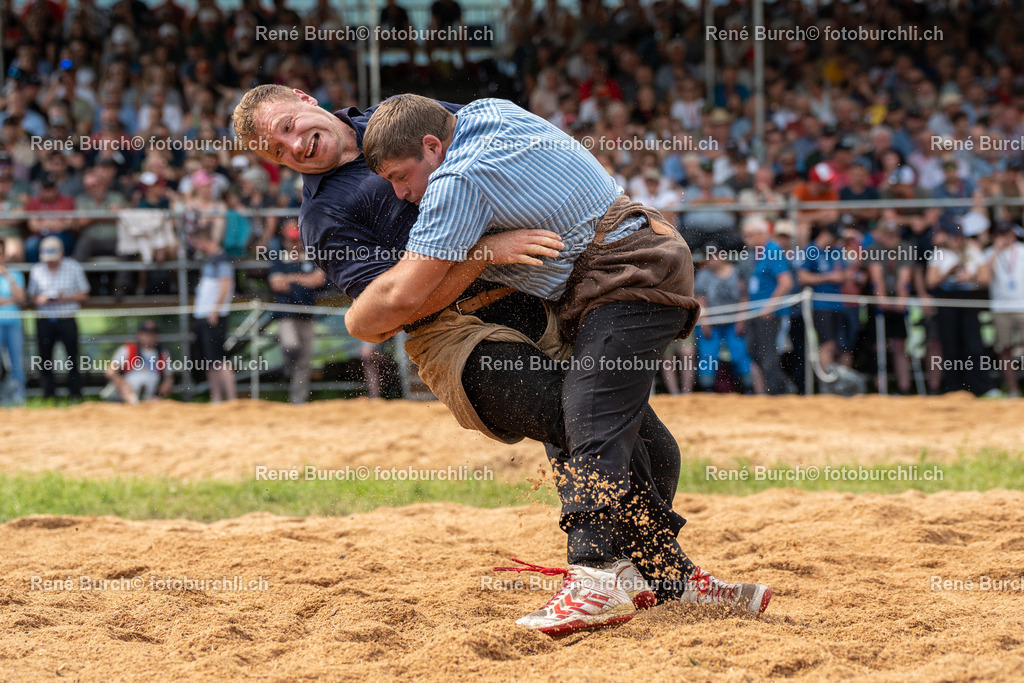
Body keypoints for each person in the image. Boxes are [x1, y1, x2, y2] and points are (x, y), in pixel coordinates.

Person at [230, 86, 770, 637]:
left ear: (304, 98)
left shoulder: (402, 118)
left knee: (655, 451)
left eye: (288, 127)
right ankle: (608, 574)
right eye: (277, 152)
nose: (293, 147)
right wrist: (482, 253)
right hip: (453, 331)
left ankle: (662, 580)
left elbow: (510, 150)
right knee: (581, 420)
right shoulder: (324, 214)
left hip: (540, 302)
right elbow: (392, 308)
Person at [268, 221, 326, 404]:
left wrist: (291, 278)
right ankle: (287, 369)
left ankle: (298, 400)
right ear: (285, 241)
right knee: (290, 346)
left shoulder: (310, 257)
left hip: (306, 313)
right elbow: (276, 284)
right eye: (291, 240)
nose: (295, 244)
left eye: (297, 240)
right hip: (286, 314)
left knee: (304, 360)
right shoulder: (280, 258)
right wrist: (304, 281)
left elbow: (319, 280)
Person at [26, 236, 89, 400]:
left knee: (72, 358)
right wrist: (39, 299)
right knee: (45, 359)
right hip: (45, 319)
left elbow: (84, 294)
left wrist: (66, 297)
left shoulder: (73, 267)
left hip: (67, 317)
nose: (51, 262)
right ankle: (48, 395)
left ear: (61, 253)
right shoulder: (37, 270)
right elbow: (31, 297)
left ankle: (75, 394)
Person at [739, 215, 795, 395]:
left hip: (769, 314)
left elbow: (786, 282)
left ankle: (780, 391)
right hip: (756, 312)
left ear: (760, 234)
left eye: (748, 235)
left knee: (768, 355)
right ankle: (781, 388)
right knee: (754, 351)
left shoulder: (773, 251)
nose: (745, 239)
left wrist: (770, 307)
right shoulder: (758, 253)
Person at [694, 244, 753, 393]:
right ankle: (707, 389)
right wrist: (705, 322)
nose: (711, 260)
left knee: (740, 353)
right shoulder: (703, 275)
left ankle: (747, 388)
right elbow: (700, 300)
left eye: (713, 256)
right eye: (708, 257)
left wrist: (741, 320)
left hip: (733, 322)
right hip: (712, 322)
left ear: (723, 256)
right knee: (708, 355)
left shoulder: (737, 272)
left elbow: (744, 298)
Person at [190, 227, 236, 402]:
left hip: (213, 314)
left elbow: (225, 286)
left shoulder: (221, 259)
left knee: (219, 358)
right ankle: (216, 397)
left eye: (197, 244)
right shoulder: (212, 259)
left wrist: (215, 310)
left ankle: (231, 398)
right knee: (210, 360)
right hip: (205, 314)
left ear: (203, 241)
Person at [986, 222, 1024, 396]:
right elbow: (983, 278)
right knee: (1004, 349)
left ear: (1012, 234)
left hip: (1022, 306)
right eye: (999, 234)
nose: (1003, 238)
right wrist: (995, 251)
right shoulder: (989, 253)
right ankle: (1013, 390)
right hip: (1000, 308)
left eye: (1006, 234)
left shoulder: (1022, 250)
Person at [104, 319, 173, 403]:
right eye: (146, 334)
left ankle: (140, 401)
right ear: (139, 335)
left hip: (150, 396)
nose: (149, 337)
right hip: (126, 393)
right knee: (127, 386)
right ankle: (133, 401)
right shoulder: (127, 349)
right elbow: (110, 371)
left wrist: (162, 391)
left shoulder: (163, 353)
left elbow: (168, 378)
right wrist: (121, 382)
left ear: (156, 336)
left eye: (152, 334)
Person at [0, 241, 27, 405]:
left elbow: (21, 298)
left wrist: (8, 277)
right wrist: (11, 299)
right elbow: (16, 299)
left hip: (13, 324)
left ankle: (18, 396)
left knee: (17, 362)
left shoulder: (15, 274)